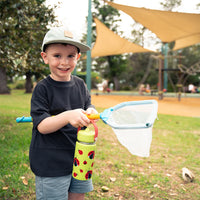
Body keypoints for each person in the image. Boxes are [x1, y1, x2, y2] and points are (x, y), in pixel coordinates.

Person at [30, 27, 98, 200]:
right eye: (57, 56)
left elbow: (87, 104)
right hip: (51, 162)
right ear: (45, 57)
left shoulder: (80, 85)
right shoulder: (42, 89)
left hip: (80, 157)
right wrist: (68, 115)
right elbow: (43, 126)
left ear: (78, 57)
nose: (64, 62)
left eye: (70, 56)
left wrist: (91, 110)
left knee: (77, 195)